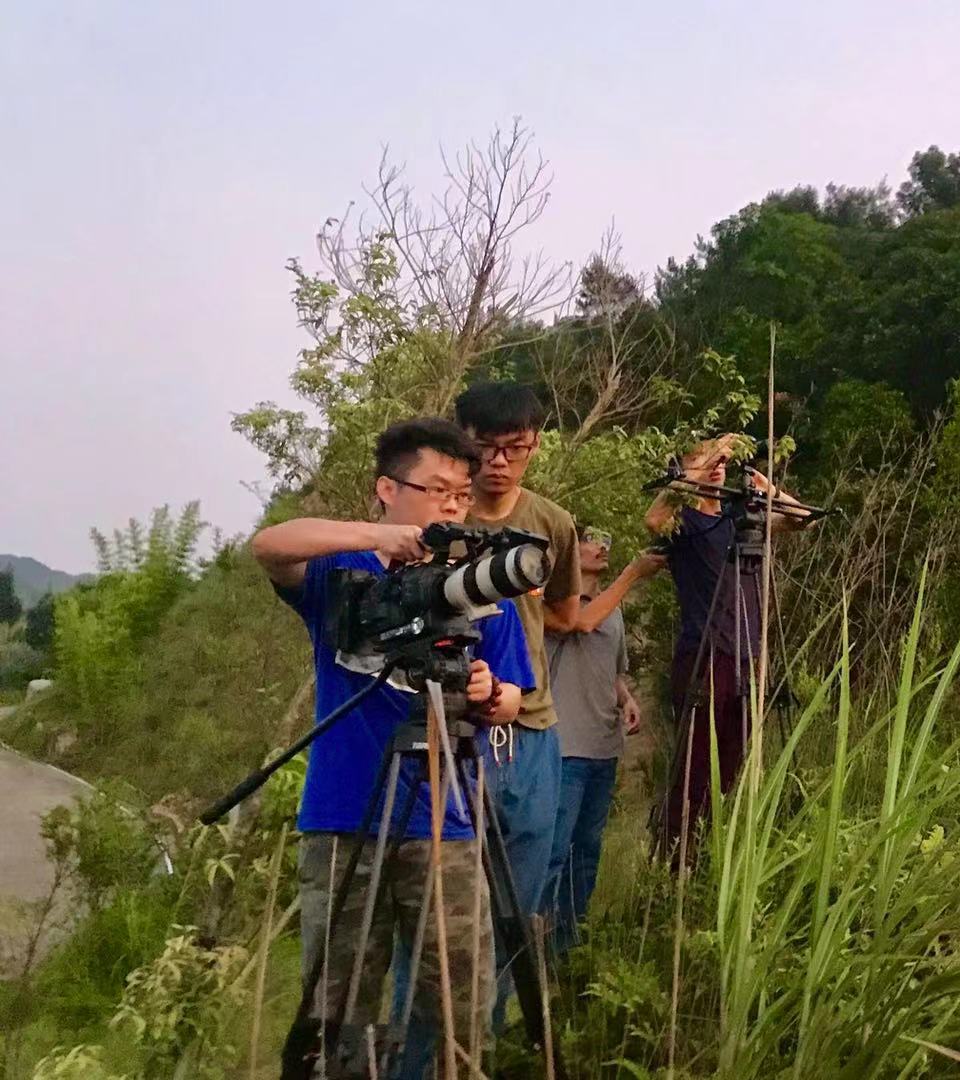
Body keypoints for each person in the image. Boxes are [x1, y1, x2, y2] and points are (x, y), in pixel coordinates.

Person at [252, 417, 534, 1079]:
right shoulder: (342, 574)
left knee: (464, 1003)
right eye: (435, 489)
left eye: (460, 495)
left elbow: (517, 696)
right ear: (387, 487)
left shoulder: (479, 589)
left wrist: (495, 694)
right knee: (338, 1007)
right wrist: (379, 537)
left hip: (447, 820)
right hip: (345, 819)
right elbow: (270, 546)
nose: (450, 505)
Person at [450, 381, 581, 1021]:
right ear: (463, 443)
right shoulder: (438, 522)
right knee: (445, 904)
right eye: (485, 448)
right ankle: (430, 1037)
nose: (499, 463)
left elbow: (564, 611)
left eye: (515, 448)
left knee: (518, 902)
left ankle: (491, 1035)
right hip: (449, 734)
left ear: (533, 447)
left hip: (530, 729)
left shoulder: (552, 523)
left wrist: (517, 612)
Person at [645, 435, 816, 863]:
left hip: (746, 653)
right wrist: (695, 469)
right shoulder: (683, 521)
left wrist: (770, 490)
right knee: (695, 766)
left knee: (733, 763)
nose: (718, 465)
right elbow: (654, 519)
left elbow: (803, 519)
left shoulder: (742, 519)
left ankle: (711, 853)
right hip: (704, 652)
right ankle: (675, 857)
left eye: (723, 461)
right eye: (706, 460)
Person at [545, 525, 664, 953]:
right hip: (564, 746)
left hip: (602, 746)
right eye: (591, 538)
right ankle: (534, 951)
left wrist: (626, 697)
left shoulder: (611, 608)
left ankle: (569, 944)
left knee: (587, 851)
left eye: (606, 539)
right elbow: (579, 623)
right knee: (554, 853)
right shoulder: (553, 602)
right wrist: (633, 572)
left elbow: (613, 667)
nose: (602, 545)